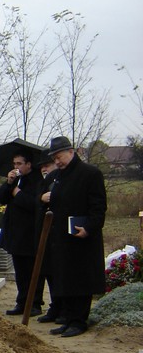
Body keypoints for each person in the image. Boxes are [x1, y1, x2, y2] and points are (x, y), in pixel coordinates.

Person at [45, 136, 107, 337]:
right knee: (65, 279)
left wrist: (88, 228)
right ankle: (68, 319)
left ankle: (79, 321)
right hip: (62, 237)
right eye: (54, 158)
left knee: (80, 280)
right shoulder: (58, 176)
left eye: (60, 157)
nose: (57, 161)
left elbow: (98, 207)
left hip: (82, 237)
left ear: (71, 152)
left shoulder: (90, 174)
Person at [0, 149, 44, 316]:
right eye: (14, 164)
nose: (16, 167)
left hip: (30, 232)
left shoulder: (37, 180)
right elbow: (2, 198)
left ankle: (34, 303)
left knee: (33, 270)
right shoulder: (16, 180)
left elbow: (34, 204)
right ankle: (22, 302)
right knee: (20, 271)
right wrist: (9, 183)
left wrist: (18, 193)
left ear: (28, 164)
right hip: (15, 232)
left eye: (19, 164)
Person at [34, 154, 62, 325]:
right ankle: (55, 306)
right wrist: (41, 198)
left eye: (48, 165)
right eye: (42, 166)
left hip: (59, 234)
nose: (44, 169)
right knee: (49, 273)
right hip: (45, 234)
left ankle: (62, 308)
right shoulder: (44, 182)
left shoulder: (61, 180)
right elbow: (36, 202)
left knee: (59, 274)